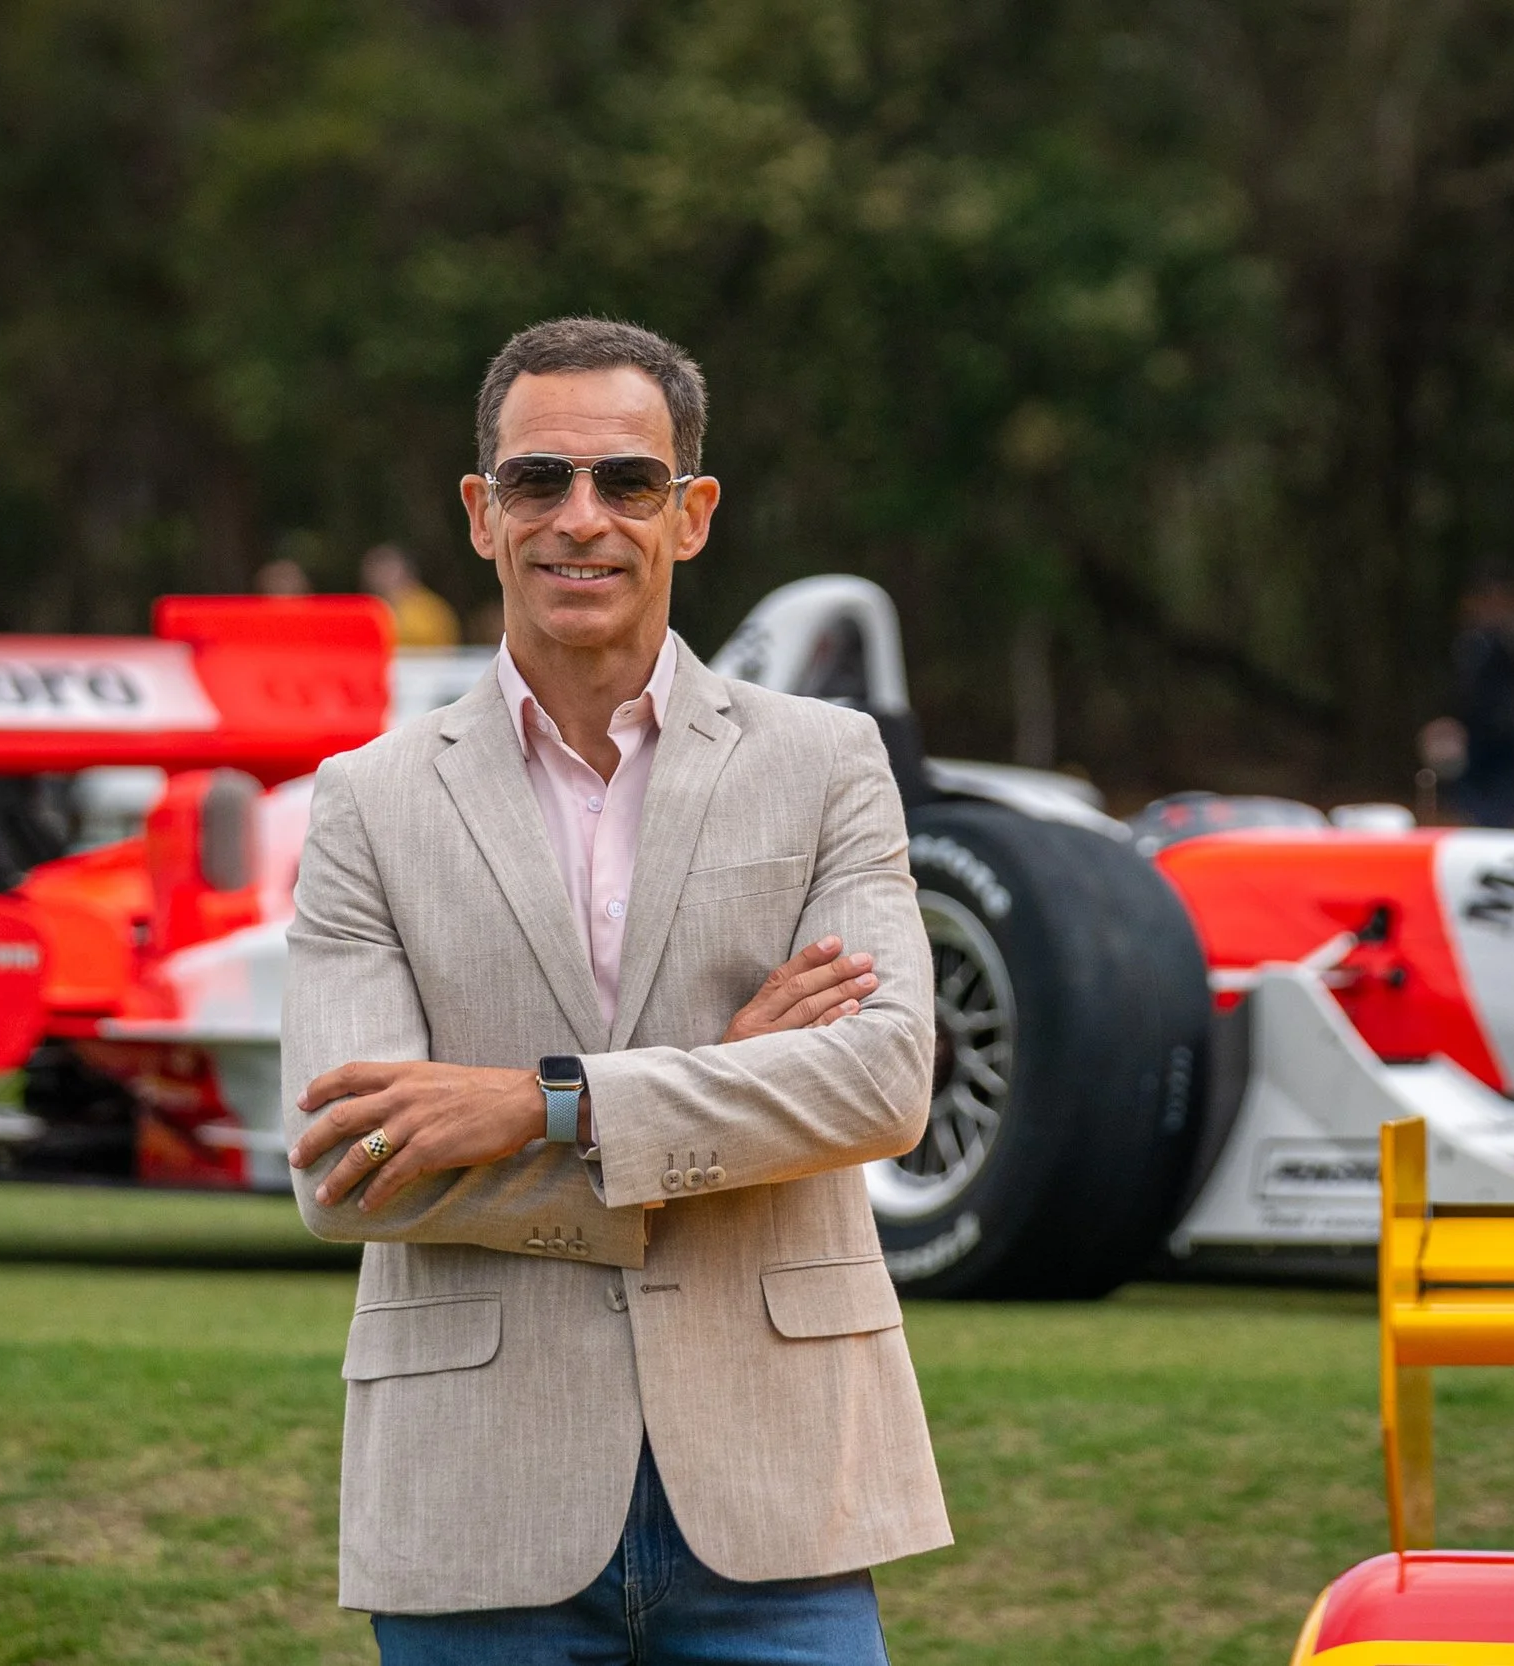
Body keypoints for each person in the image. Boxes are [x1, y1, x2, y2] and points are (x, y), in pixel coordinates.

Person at [280, 316, 950, 1665]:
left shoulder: (828, 762)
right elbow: (349, 1164)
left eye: (627, 482)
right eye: (538, 479)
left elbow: (882, 1082)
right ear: (482, 513)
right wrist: (735, 1084)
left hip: (782, 1498)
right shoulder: (366, 801)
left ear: (691, 514)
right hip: (479, 1499)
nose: (580, 518)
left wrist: (544, 1104)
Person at [1419, 573, 1514, 828]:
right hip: (1471, 731)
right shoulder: (1467, 641)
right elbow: (1454, 686)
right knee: (1469, 800)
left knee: (1504, 802)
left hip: (1508, 733)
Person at [362, 542, 463, 649]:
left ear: (404, 571)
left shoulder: (428, 608)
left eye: (386, 569)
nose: (379, 576)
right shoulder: (371, 609)